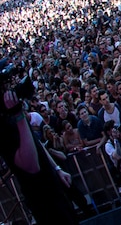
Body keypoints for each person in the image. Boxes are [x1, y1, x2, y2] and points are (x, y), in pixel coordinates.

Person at [2, 88, 78, 223]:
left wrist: (57, 169)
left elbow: (37, 145)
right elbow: (31, 165)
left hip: (54, 186)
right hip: (42, 198)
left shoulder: (13, 116)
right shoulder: (5, 124)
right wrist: (19, 115)